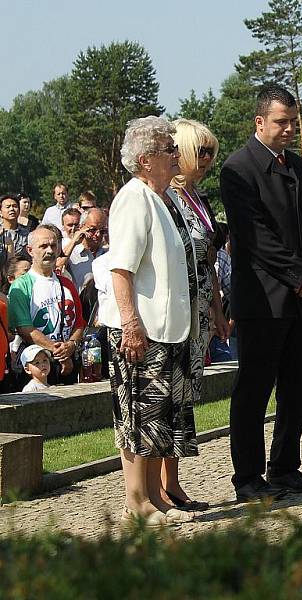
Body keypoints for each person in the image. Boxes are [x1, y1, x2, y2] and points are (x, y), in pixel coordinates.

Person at [220, 83, 302, 502]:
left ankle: (284, 466)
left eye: (293, 123)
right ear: (259, 121)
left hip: (299, 296)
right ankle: (247, 478)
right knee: (254, 390)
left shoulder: (296, 166)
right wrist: (299, 273)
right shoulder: (238, 169)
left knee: (298, 385)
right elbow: (255, 236)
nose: (287, 130)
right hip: (263, 298)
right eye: (281, 122)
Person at [102, 115, 199, 526]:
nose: (177, 155)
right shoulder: (133, 198)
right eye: (168, 149)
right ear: (146, 160)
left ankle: (156, 499)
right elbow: (121, 269)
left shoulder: (165, 197)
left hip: (169, 327)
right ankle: (135, 502)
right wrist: (131, 324)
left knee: (161, 415)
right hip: (140, 329)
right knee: (136, 415)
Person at [168, 117, 229, 512]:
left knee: (186, 397)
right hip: (176, 310)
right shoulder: (167, 198)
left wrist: (219, 308)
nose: (206, 159)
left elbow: (208, 259)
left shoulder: (197, 198)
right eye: (199, 151)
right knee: (171, 397)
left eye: (210, 152)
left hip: (200, 309)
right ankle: (164, 485)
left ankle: (172, 481)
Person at [8, 227, 85, 385]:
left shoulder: (67, 284)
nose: (50, 250)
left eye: (53, 246)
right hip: (37, 365)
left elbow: (79, 323)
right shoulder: (21, 286)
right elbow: (25, 329)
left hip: (67, 363)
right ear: (30, 250)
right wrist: (59, 352)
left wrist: (71, 345)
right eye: (43, 246)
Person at [65, 208, 108, 294]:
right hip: (80, 304)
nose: (98, 234)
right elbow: (57, 266)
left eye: (102, 231)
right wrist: (74, 242)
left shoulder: (106, 253)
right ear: (81, 227)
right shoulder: (71, 251)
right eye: (92, 230)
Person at [0, 194, 31, 264]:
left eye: (15, 206)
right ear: (0, 212)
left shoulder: (27, 234)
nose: (11, 209)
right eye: (8, 207)